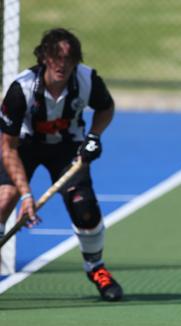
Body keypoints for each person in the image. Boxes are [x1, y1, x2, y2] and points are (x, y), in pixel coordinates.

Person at [0, 28, 123, 301]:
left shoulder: (87, 79)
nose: (62, 64)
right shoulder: (21, 89)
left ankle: (96, 268)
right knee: (4, 197)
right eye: (56, 56)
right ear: (44, 57)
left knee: (85, 207)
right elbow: (7, 148)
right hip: (25, 147)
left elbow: (106, 108)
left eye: (69, 58)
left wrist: (94, 136)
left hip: (68, 149)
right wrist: (27, 195)